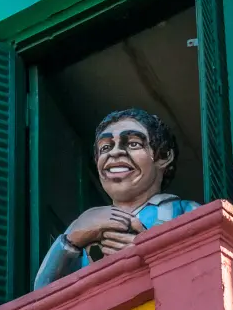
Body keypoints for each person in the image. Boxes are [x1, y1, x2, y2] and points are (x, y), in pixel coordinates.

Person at [33, 108, 200, 290]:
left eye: (134, 144)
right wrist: (71, 240)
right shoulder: (82, 226)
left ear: (164, 156)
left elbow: (206, 276)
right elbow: (42, 291)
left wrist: (151, 255)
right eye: (105, 147)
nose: (115, 153)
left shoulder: (187, 212)